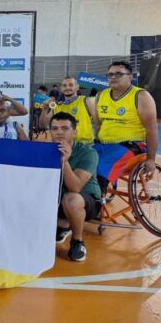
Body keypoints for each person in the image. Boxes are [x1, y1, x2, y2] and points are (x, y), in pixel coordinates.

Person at [93, 61, 158, 192]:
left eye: (119, 74)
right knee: (80, 160)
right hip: (104, 145)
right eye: (110, 74)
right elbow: (98, 125)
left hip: (131, 146)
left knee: (101, 165)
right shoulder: (100, 95)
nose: (113, 77)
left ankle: (96, 200)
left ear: (130, 77)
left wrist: (151, 159)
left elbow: (151, 129)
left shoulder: (141, 96)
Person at [51, 112, 101, 262]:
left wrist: (65, 162)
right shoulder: (45, 150)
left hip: (85, 200)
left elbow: (75, 187)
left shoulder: (88, 153)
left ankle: (77, 242)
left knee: (71, 199)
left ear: (74, 132)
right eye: (55, 128)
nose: (59, 132)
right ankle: (63, 224)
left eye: (65, 128)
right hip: (57, 200)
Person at [40, 77, 95, 144]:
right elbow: (43, 125)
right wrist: (45, 109)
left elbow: (99, 123)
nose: (67, 88)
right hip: (63, 146)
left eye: (71, 85)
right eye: (64, 85)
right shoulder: (57, 106)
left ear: (77, 87)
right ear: (61, 88)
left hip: (84, 146)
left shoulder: (86, 101)